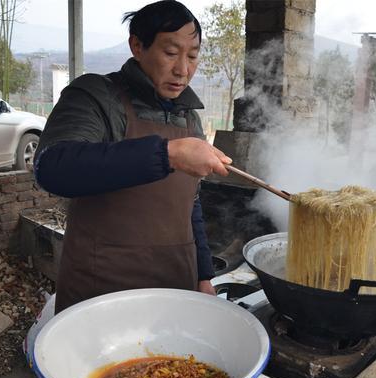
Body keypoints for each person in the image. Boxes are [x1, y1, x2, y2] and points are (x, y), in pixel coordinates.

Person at [33, 0, 231, 313]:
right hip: (104, 288)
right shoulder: (95, 96)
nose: (183, 69)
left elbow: (189, 205)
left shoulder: (189, 119)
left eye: (192, 56)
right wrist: (169, 154)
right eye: (170, 53)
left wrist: (204, 275)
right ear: (137, 46)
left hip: (175, 284)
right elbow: (54, 167)